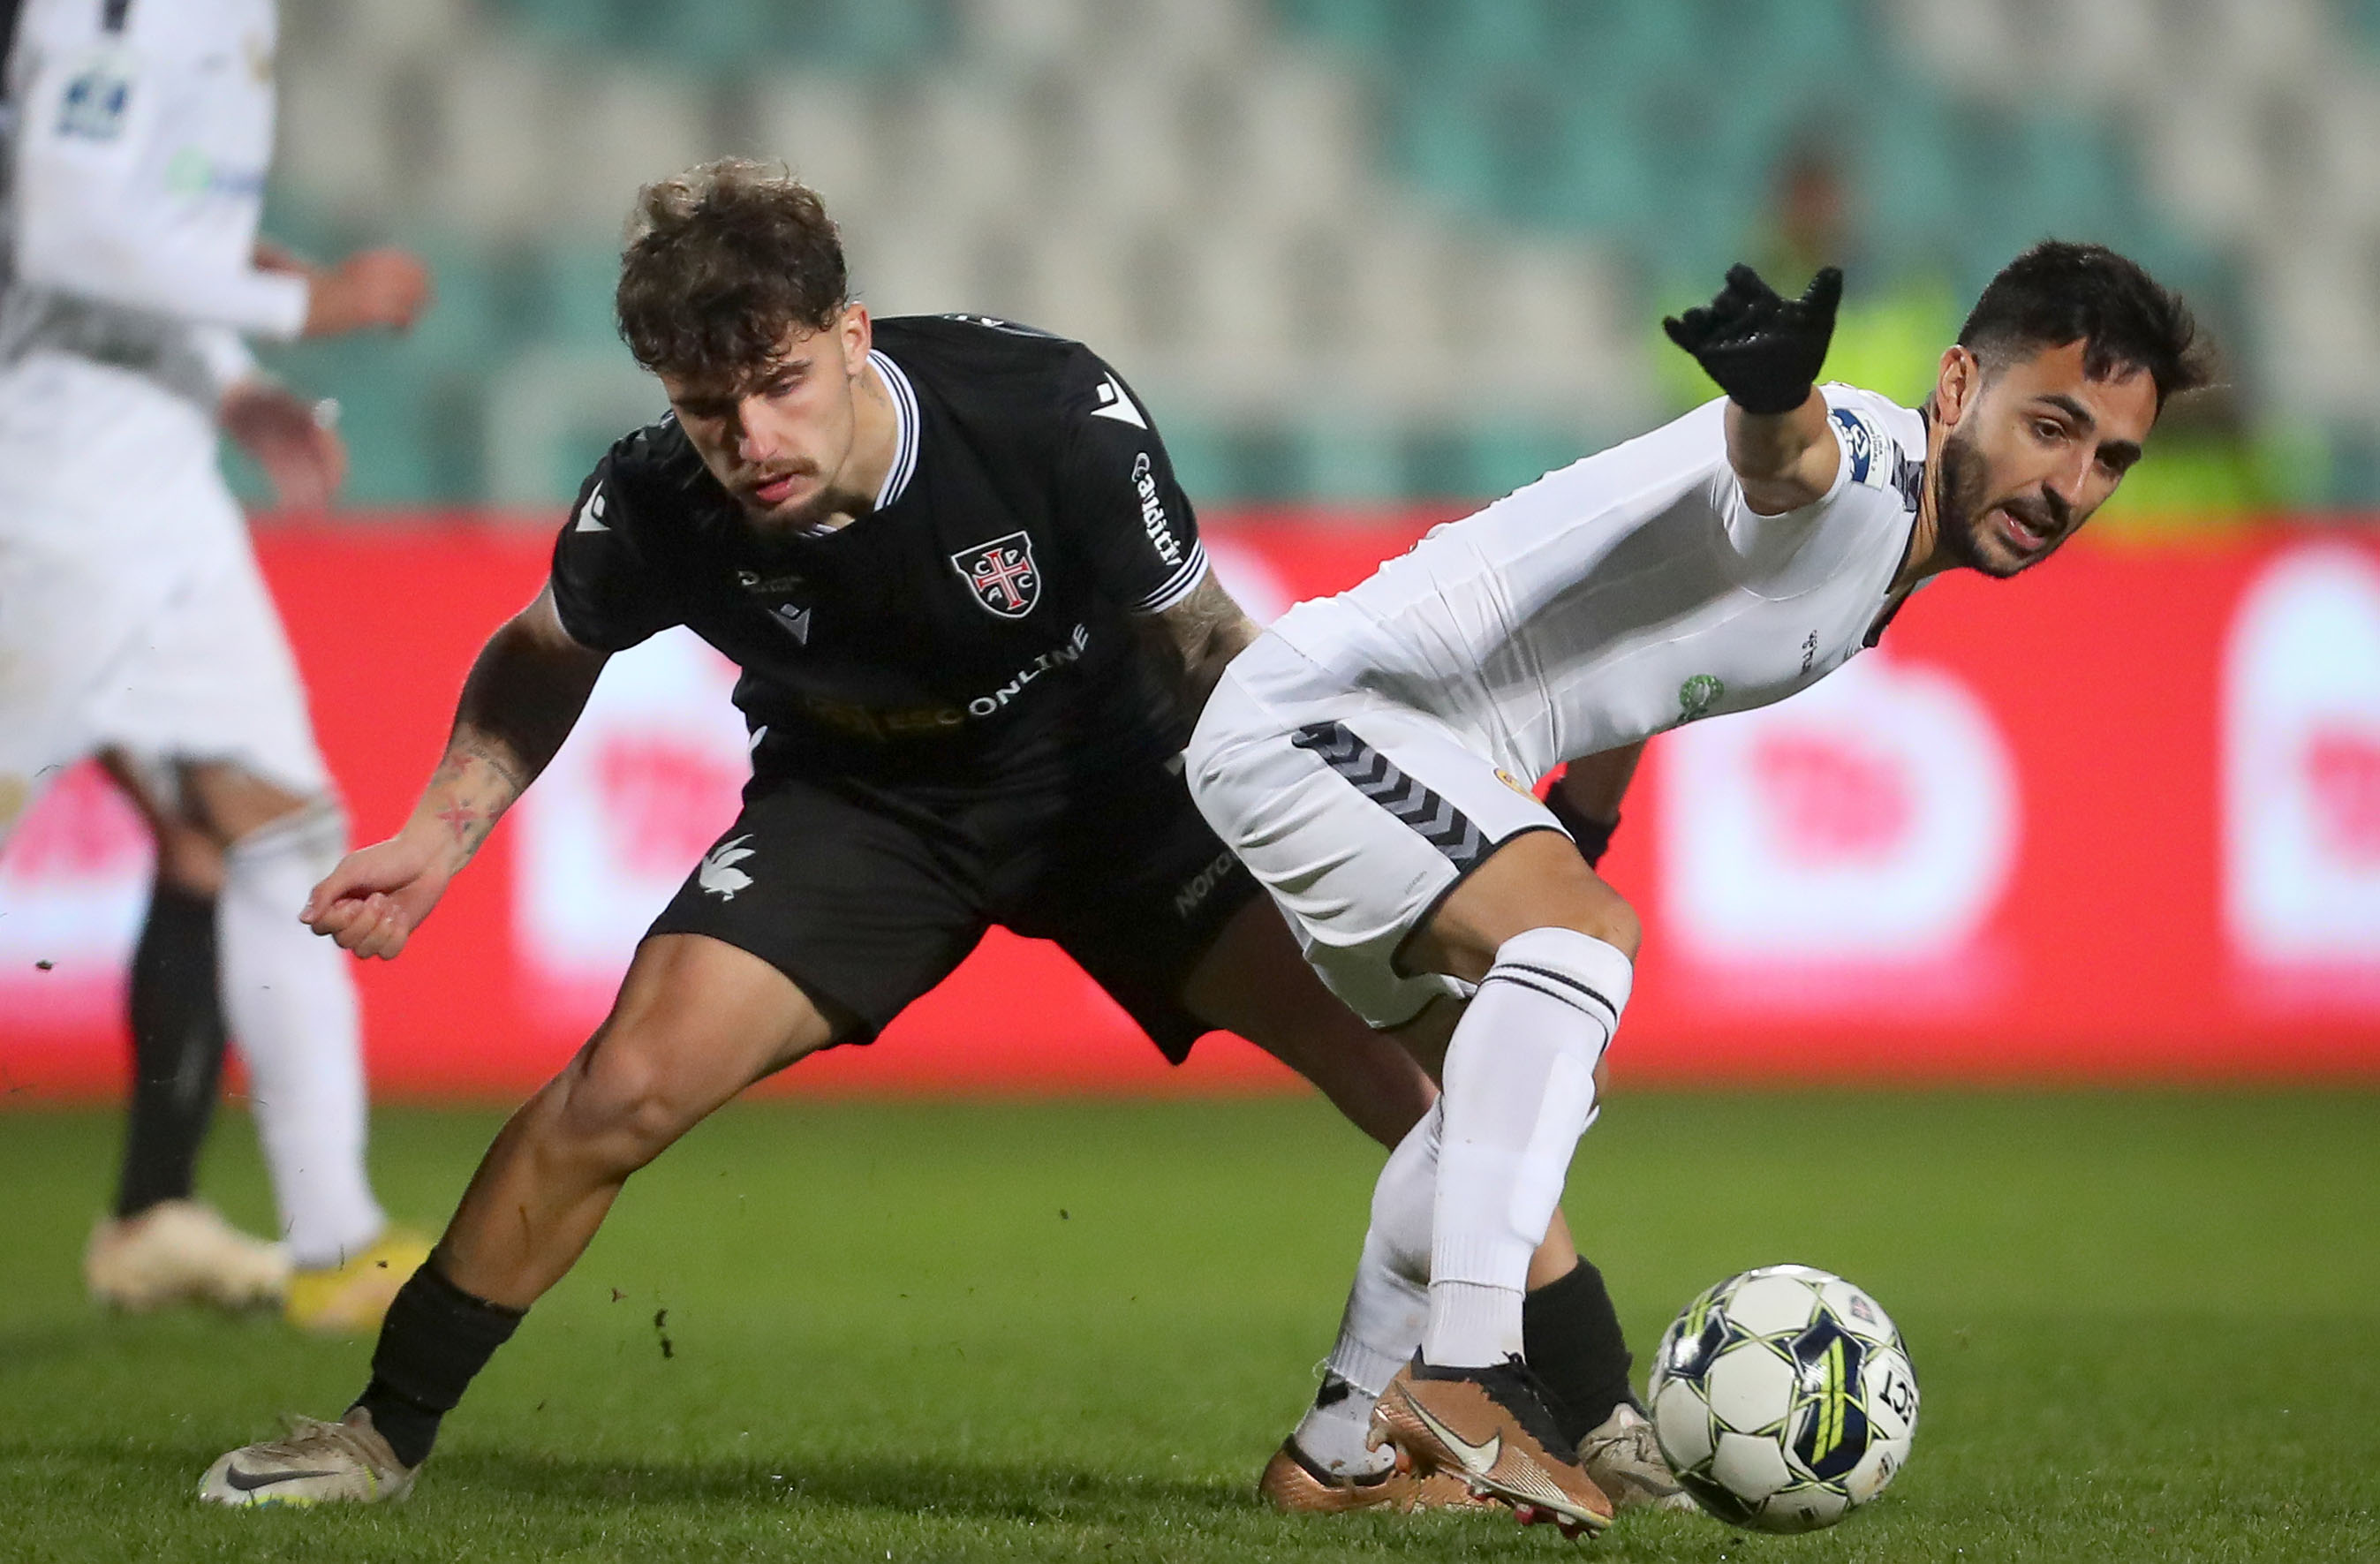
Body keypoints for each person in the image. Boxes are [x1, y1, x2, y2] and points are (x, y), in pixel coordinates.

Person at [193, 162, 1665, 1514]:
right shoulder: (656, 497)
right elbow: (544, 647)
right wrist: (439, 841)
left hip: (1123, 778)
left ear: (850, 332)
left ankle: (1594, 1420)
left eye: (776, 384)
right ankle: (380, 1431)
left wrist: (1383, 803)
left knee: (1418, 1082)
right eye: (709, 409)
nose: (749, 441)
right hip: (866, 805)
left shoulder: (1042, 411)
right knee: (621, 1089)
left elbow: (1212, 649)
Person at [1185, 243, 2205, 1532]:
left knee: (1529, 1081)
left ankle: (1338, 1453)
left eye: (2109, 458)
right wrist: (1772, 398)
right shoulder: (1866, 471)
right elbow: (1782, 472)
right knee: (1582, 943)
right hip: (1332, 717)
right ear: (1957, 386)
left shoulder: (1894, 556)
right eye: (2049, 426)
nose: (2069, 485)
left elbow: (1667, 651)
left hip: (1405, 752)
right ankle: (1465, 1374)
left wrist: (1582, 817)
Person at [0, 0, 434, 1329]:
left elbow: (145, 224)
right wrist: (299, 302)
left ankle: (335, 1242)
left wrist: (230, 375)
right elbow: (61, 228)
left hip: (155, 480)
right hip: (45, 485)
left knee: (283, 833)